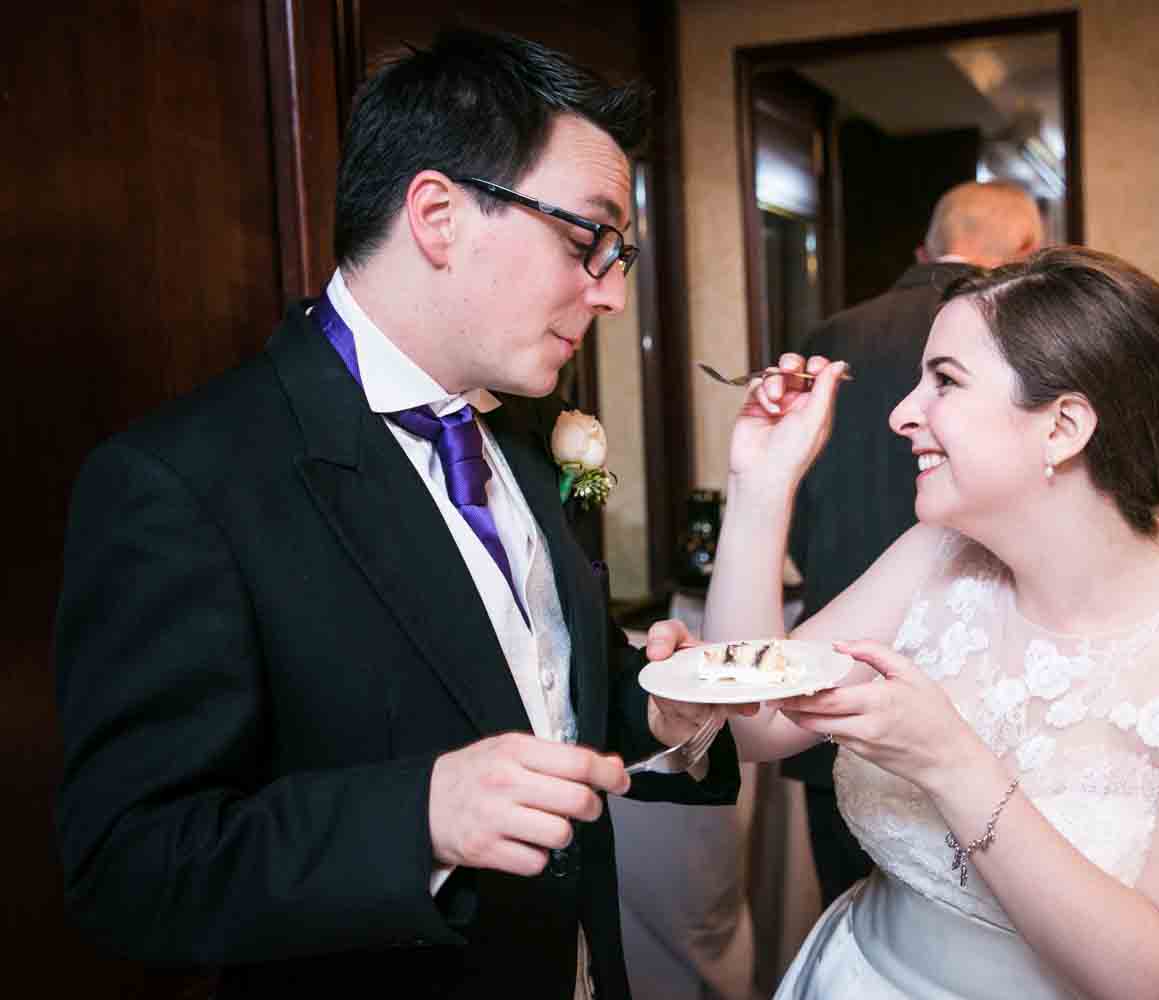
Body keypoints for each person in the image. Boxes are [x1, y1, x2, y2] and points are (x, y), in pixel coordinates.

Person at [53, 28, 741, 1000]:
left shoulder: (521, 434)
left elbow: (541, 690)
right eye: (588, 241)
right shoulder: (183, 483)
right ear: (438, 215)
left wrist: (658, 711)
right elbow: (131, 868)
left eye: (618, 255)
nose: (615, 295)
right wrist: (418, 820)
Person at [693, 246, 1159, 998]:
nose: (901, 414)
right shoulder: (937, 555)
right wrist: (761, 485)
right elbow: (754, 724)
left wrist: (950, 762)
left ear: (1063, 427)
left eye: (945, 381)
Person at [783, 180, 1043, 908]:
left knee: (849, 887)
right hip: (965, 672)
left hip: (830, 676)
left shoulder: (832, 334)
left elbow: (808, 505)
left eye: (946, 384)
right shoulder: (1009, 336)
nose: (911, 414)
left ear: (925, 250)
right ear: (1029, 250)